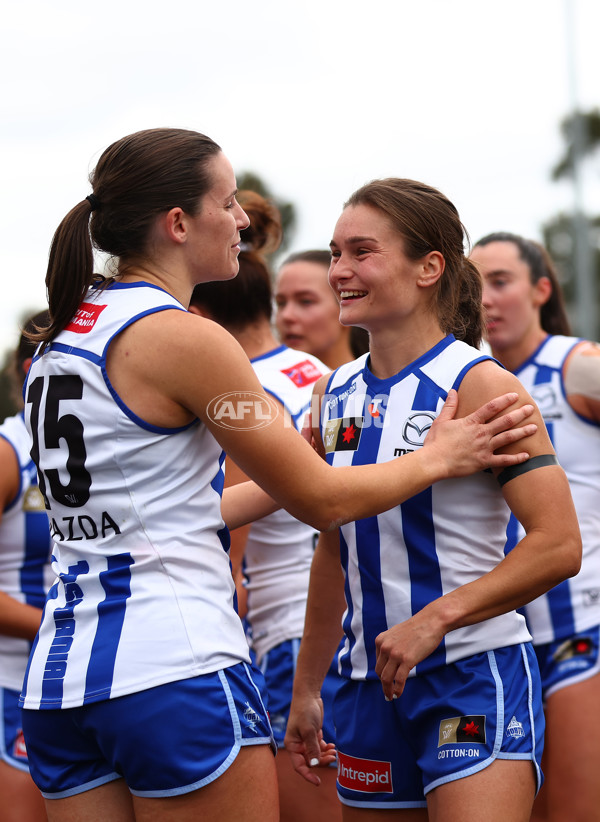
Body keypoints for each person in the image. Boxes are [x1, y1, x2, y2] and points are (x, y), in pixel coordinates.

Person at [20, 128, 541, 822]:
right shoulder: (185, 336)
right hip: (170, 665)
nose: (241, 220)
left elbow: (159, 514)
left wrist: (294, 459)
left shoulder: (59, 339)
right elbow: (324, 502)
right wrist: (439, 458)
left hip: (60, 678)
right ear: (178, 224)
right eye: (228, 202)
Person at [284, 178, 581, 821]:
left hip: (471, 676)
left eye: (362, 252)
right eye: (334, 253)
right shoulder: (331, 393)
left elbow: (558, 544)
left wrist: (435, 619)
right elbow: (333, 547)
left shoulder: (481, 384)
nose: (340, 271)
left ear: (429, 268)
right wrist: (308, 686)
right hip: (364, 689)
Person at [190, 189, 343, 822]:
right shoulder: (318, 374)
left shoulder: (242, 394)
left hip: (283, 634)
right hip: (343, 621)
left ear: (197, 312)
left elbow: (229, 562)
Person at [470, 232, 600, 822]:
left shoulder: (578, 367)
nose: (486, 300)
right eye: (474, 286)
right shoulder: (463, 381)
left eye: (501, 282)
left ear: (542, 290)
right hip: (492, 645)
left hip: (578, 632)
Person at [0, 311, 53, 822]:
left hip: (89, 679)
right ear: (26, 369)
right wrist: (64, 629)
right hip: (12, 682)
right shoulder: (8, 450)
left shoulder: (101, 449)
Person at [275, 250, 369, 369]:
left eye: (306, 301)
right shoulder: (260, 383)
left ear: (346, 306)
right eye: (281, 303)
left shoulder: (382, 384)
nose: (286, 316)